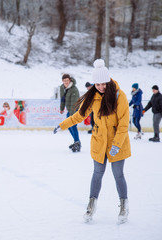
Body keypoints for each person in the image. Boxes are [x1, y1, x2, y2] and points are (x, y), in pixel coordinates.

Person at [54, 59, 131, 224]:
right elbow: (79, 115)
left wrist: (117, 145)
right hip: (99, 141)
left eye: (104, 84)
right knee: (97, 173)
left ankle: (124, 205)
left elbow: (124, 124)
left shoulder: (119, 96)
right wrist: (62, 125)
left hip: (117, 141)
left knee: (118, 174)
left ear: (109, 81)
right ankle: (91, 204)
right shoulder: (93, 97)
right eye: (98, 85)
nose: (101, 87)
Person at [59, 73, 81, 152]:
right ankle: (77, 141)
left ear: (70, 80)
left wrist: (72, 116)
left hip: (75, 110)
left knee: (73, 125)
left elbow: (74, 104)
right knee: (68, 125)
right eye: (64, 81)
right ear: (62, 81)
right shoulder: (62, 88)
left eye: (67, 80)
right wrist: (61, 108)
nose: (66, 82)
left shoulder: (74, 89)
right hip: (69, 110)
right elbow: (62, 99)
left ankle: (77, 143)